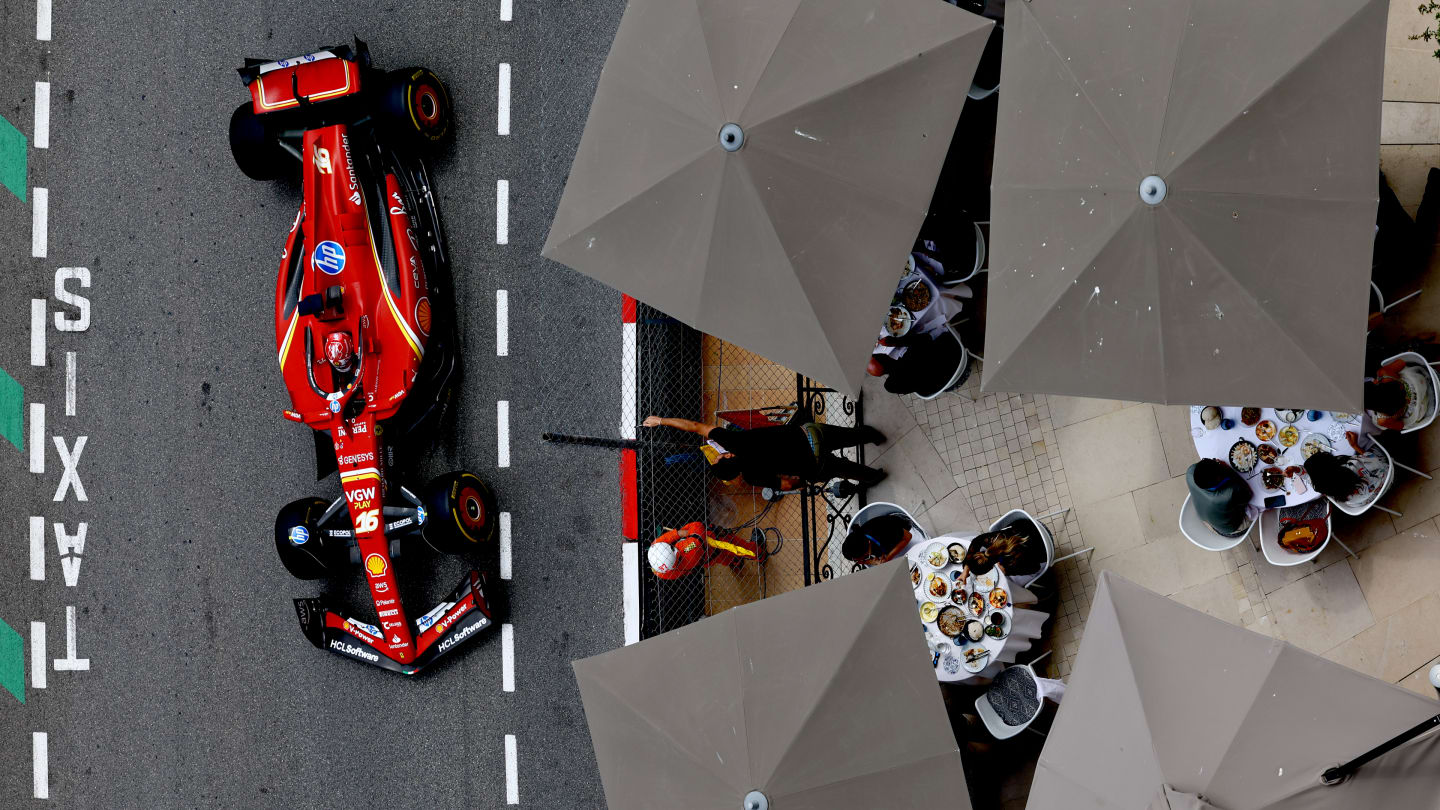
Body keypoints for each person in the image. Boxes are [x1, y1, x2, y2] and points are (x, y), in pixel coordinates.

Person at [641, 415, 887, 488]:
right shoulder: (732, 441)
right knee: (850, 436)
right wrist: (662, 421)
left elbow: (788, 485)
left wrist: (804, 480)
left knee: (847, 471)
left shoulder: (751, 477)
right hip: (809, 435)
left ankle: (874, 476)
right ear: (726, 456)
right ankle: (873, 436)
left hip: (814, 465)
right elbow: (696, 427)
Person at [646, 522, 759, 581]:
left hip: (706, 560)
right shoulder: (690, 548)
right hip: (710, 543)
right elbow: (697, 528)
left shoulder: (661, 572)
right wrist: (681, 532)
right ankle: (759, 552)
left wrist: (677, 534)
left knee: (722, 558)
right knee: (736, 545)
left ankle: (735, 562)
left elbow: (657, 545)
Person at [867, 330, 968, 396]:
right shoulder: (911, 357)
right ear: (885, 356)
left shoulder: (891, 386)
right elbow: (925, 338)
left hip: (942, 387)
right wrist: (895, 342)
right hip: (959, 363)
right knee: (934, 332)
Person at [1304, 432, 1388, 510]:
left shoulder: (1329, 488)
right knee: (1370, 444)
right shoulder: (1353, 465)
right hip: (1385, 479)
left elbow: (1315, 476)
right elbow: (1378, 461)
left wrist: (1298, 470)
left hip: (1367, 502)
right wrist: (1355, 446)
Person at [1185, 458, 1253, 537]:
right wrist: (1228, 468)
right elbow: (1248, 494)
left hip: (1207, 518)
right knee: (1262, 503)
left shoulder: (1190, 471)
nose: (1217, 461)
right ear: (1219, 479)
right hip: (1230, 530)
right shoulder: (1228, 494)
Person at [1365, 356, 1433, 431]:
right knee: (1401, 371)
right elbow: (1402, 362)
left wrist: (1396, 415)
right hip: (1425, 381)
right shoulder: (1385, 373)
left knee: (1377, 422)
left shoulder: (1383, 420)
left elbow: (1401, 425)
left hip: (1430, 408)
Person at [956, 528, 1047, 584]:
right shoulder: (993, 540)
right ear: (979, 553)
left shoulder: (1010, 564)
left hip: (1046, 544)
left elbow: (1036, 568)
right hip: (1032, 525)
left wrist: (1007, 572)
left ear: (991, 568)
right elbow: (976, 541)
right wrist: (966, 569)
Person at [841, 512, 915, 565]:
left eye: (865, 557)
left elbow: (908, 536)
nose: (863, 560)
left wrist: (888, 558)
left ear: (869, 544)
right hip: (884, 546)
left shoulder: (882, 531)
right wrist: (872, 562)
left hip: (902, 531)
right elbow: (859, 560)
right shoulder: (855, 546)